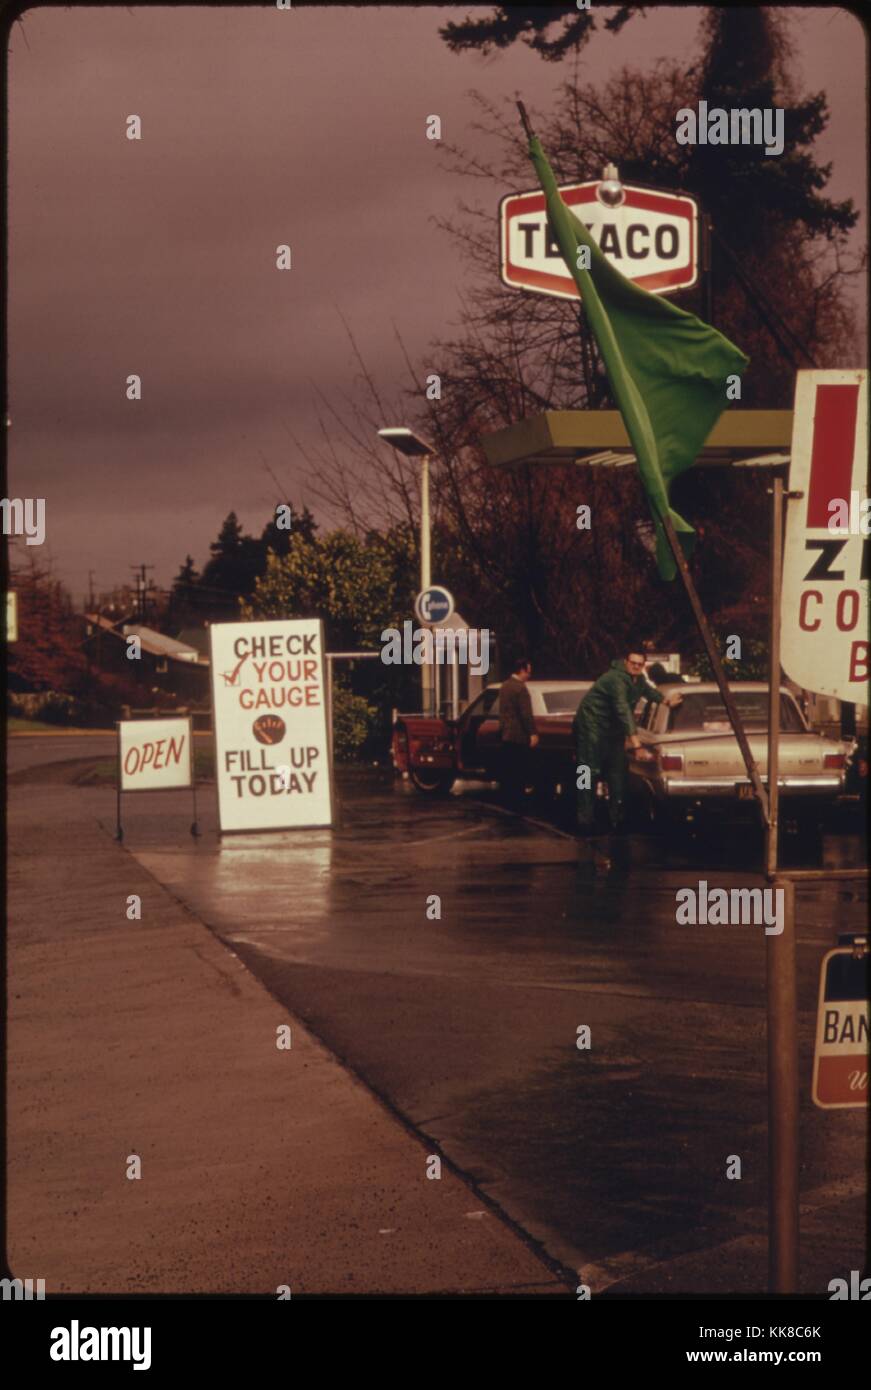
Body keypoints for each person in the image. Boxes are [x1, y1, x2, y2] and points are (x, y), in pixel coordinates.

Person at [573, 645, 683, 834]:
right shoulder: (615, 680)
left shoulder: (638, 679)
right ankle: (584, 819)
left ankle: (618, 818)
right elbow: (623, 710)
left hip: (613, 730)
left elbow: (650, 692)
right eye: (633, 663)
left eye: (640, 664)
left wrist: (666, 701)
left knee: (618, 771)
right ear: (626, 662)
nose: (636, 667)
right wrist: (637, 744)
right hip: (591, 726)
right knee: (587, 771)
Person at [498, 656, 539, 809]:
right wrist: (533, 733)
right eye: (528, 672)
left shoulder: (505, 686)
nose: (529, 675)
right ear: (522, 670)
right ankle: (519, 803)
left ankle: (507, 801)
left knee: (509, 770)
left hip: (506, 734)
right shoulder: (521, 688)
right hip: (519, 735)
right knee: (520, 770)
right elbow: (526, 714)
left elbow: (502, 712)